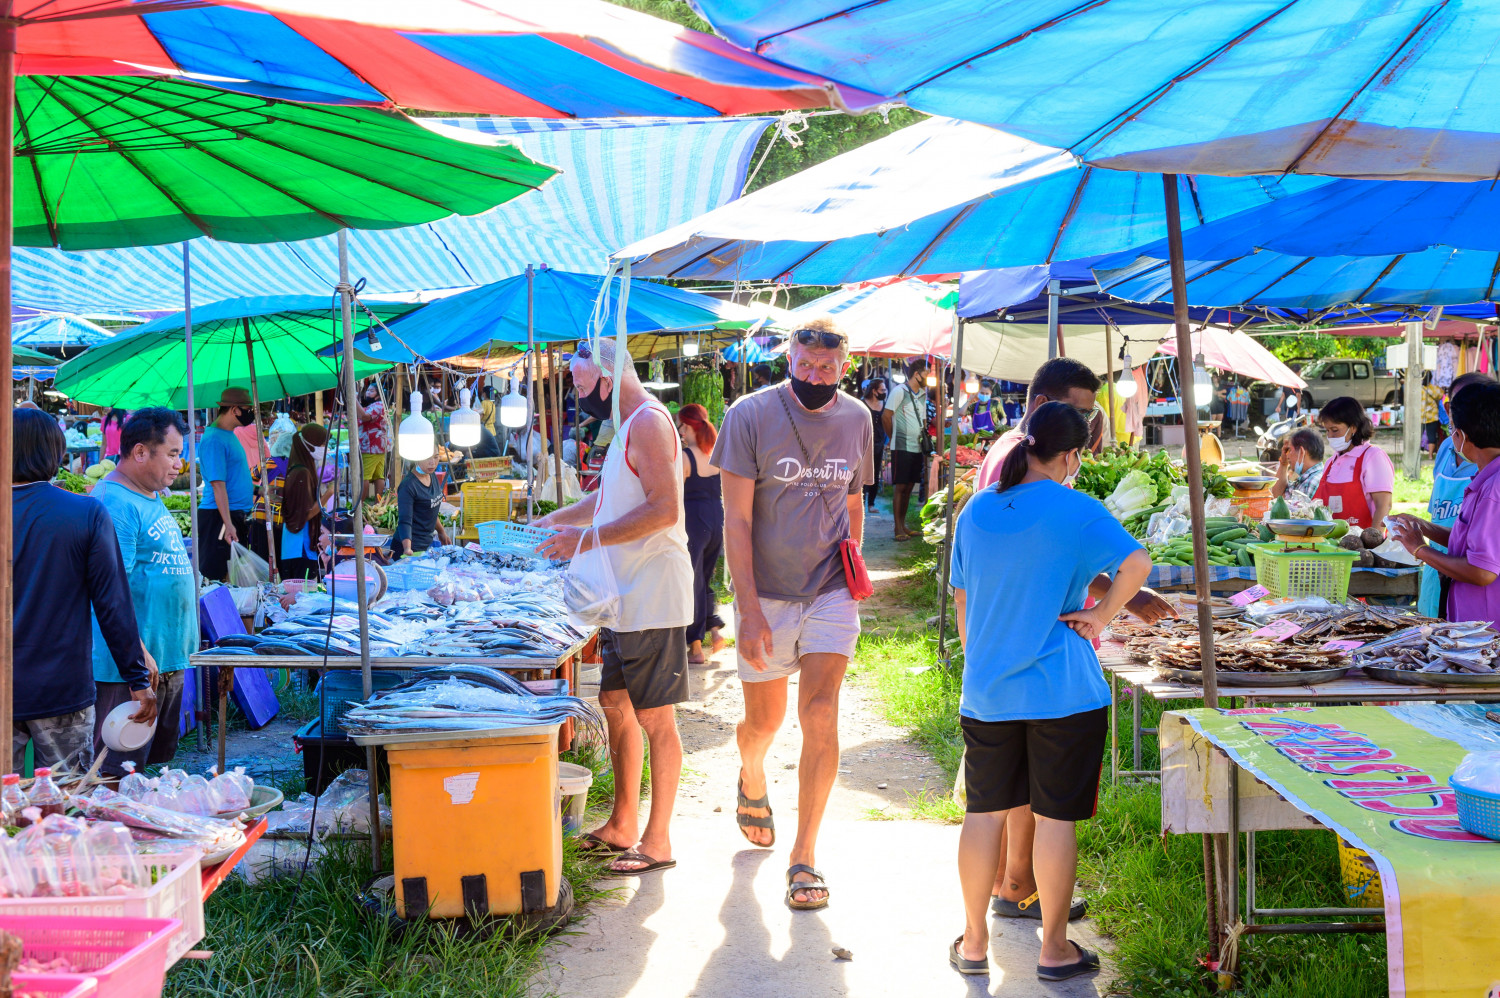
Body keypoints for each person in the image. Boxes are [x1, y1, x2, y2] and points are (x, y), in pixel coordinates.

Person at [948, 402, 1149, 980]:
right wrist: (1101, 615)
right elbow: (1136, 564)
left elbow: (965, 600)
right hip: (1063, 692)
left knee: (983, 814)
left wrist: (986, 656)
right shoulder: (1078, 509)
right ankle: (1054, 949)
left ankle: (975, 942)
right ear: (1070, 454)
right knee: (1055, 819)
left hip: (987, 689)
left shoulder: (977, 510)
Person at [971, 358, 1171, 922]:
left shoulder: (991, 495)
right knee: (1045, 810)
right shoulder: (1053, 495)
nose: (1089, 426)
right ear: (1046, 409)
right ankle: (1027, 899)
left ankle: (989, 918)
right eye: (1081, 415)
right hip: (1048, 677)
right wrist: (1111, 608)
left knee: (993, 805)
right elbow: (1073, 558)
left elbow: (979, 586)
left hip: (992, 675)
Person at [713, 319, 874, 911]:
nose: (814, 378)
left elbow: (854, 497)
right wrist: (748, 609)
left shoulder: (858, 418)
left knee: (821, 712)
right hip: (768, 595)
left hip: (831, 590)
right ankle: (751, 774)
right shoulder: (749, 416)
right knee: (764, 723)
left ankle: (804, 856)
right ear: (790, 357)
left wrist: (854, 562)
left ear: (844, 365)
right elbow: (736, 520)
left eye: (826, 370)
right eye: (804, 366)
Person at [535, 335, 693, 876]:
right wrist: (559, 521)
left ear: (607, 374)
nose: (580, 395)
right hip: (624, 599)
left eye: (582, 383)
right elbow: (608, 502)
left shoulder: (648, 421)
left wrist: (585, 541)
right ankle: (623, 824)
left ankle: (659, 839)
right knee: (617, 705)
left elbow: (664, 510)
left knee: (655, 717)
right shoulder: (625, 425)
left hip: (653, 595)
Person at [12, 407, 156, 772]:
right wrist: (137, 681)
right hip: (62, 690)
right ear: (55, 454)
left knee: (3, 811)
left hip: (5, 689)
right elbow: (113, 605)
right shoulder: (85, 513)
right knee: (67, 808)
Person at [90, 409, 194, 776]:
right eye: (173, 453)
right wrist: (139, 654)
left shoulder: (148, 495)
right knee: (117, 772)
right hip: (131, 671)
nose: (179, 464)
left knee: (150, 770)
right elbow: (109, 591)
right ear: (139, 452)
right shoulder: (114, 502)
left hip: (165, 659)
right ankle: (110, 834)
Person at [1390, 380, 1500, 626]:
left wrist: (1420, 550)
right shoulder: (1485, 480)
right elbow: (1470, 544)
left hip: (1485, 631)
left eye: (1452, 429)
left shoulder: (1493, 490)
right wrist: (1423, 527)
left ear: (1461, 436)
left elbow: (1482, 570)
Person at [677, 404, 725, 666]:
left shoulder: (686, 457)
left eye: (682, 425)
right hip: (717, 520)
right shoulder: (715, 453)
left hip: (694, 521)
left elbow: (674, 495)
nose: (680, 431)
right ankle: (715, 630)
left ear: (689, 426)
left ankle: (695, 647)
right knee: (704, 578)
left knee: (690, 582)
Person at [196, 387, 258, 582]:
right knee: (217, 576)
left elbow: (233, 477)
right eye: (248, 409)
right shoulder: (214, 439)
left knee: (233, 575)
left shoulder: (229, 435)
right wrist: (228, 524)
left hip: (233, 514)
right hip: (219, 516)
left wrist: (259, 490)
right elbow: (217, 485)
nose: (251, 414)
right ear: (234, 410)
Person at [1313, 396, 1395, 532]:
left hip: (1362, 546)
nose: (1330, 436)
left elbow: (1384, 505)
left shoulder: (1372, 456)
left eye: (1335, 430)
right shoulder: (1330, 463)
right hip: (1331, 545)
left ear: (1353, 428)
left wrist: (1373, 542)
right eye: (1327, 431)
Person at [884, 358, 929, 541]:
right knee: (900, 486)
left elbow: (924, 420)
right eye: (926, 374)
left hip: (917, 447)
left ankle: (903, 525)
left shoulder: (924, 394)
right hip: (901, 446)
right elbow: (886, 416)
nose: (928, 377)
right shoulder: (899, 391)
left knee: (910, 486)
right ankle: (897, 528)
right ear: (916, 374)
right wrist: (893, 437)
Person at [280, 424, 332, 581]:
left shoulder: (301, 470)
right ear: (310, 445)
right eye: (322, 445)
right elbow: (305, 514)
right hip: (298, 548)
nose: (325, 448)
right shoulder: (301, 473)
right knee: (300, 597)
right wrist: (328, 494)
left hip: (295, 547)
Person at [394, 452, 451, 559]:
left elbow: (431, 511)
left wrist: (441, 532)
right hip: (408, 548)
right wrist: (407, 548)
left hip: (425, 545)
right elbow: (405, 520)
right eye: (427, 457)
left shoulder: (431, 475)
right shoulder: (408, 485)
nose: (432, 463)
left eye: (436, 457)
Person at [355, 379, 391, 501]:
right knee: (378, 476)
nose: (367, 393)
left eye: (371, 391)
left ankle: (359, 505)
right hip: (379, 446)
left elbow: (365, 417)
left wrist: (353, 400)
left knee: (364, 476)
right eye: (368, 390)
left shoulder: (377, 405)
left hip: (371, 446)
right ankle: (377, 504)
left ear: (378, 396)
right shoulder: (379, 405)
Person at [1271, 428, 1326, 499]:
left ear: (1301, 452)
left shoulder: (1310, 483)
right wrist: (1283, 463)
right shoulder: (1303, 476)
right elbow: (1277, 496)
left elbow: (1279, 502)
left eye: (1289, 450)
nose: (1287, 455)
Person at [862, 378, 887, 511]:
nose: (885, 392)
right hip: (863, 444)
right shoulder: (862, 404)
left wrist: (886, 441)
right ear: (874, 391)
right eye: (882, 390)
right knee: (861, 475)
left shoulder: (885, 405)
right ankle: (861, 502)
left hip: (879, 444)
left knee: (875, 474)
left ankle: (871, 504)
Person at [1421, 372, 1447, 457]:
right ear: (1431, 378)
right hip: (1432, 416)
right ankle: (1430, 456)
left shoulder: (1418, 389)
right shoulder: (1434, 389)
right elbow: (1442, 395)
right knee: (1431, 436)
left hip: (1420, 416)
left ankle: (1415, 455)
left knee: (1417, 436)